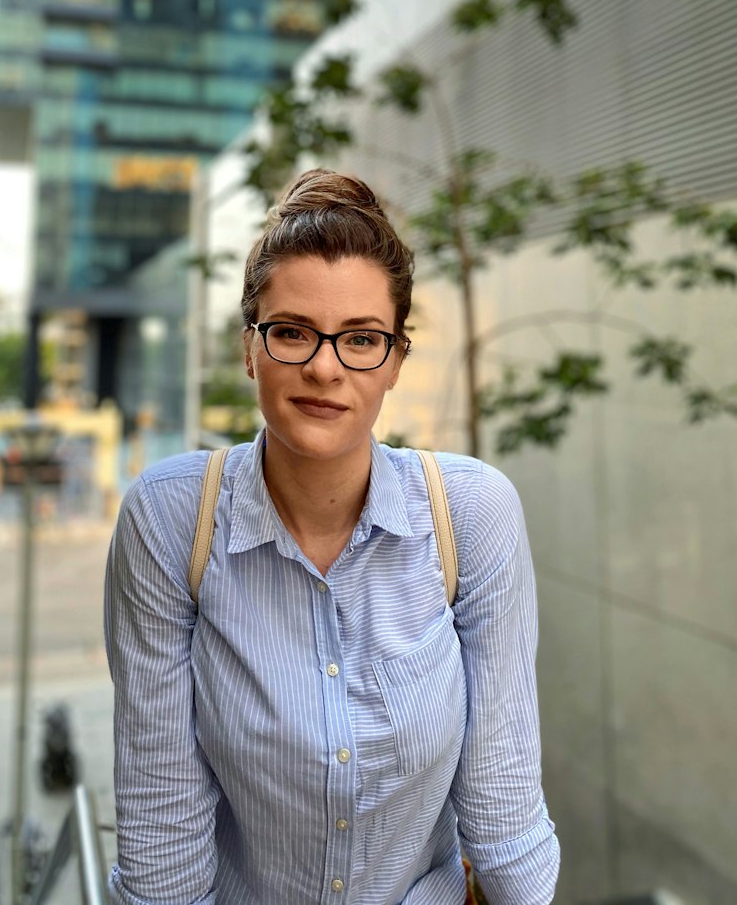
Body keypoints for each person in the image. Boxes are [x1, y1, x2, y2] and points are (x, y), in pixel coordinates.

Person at [105, 169, 560, 904]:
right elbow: (162, 823)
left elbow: (502, 804)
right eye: (291, 332)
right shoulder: (170, 517)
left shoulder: (472, 512)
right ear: (249, 347)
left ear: (395, 361)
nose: (323, 366)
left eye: (361, 339)